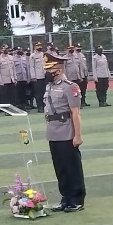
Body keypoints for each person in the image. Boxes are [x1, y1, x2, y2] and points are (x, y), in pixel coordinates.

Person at [43, 52, 86, 212]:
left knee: (72, 167)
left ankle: (77, 199)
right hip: (53, 131)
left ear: (58, 69)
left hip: (66, 131)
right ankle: (65, 197)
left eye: (49, 68)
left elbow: (75, 112)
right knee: (60, 167)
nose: (46, 71)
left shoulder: (70, 86)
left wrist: (78, 135)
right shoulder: (49, 86)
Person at [29, 42, 47, 113]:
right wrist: (33, 76)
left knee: (45, 92)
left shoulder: (44, 54)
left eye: (40, 45)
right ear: (34, 47)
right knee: (39, 93)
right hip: (37, 76)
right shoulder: (32, 56)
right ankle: (40, 107)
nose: (39, 47)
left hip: (44, 75)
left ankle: (45, 106)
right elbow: (31, 67)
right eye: (37, 46)